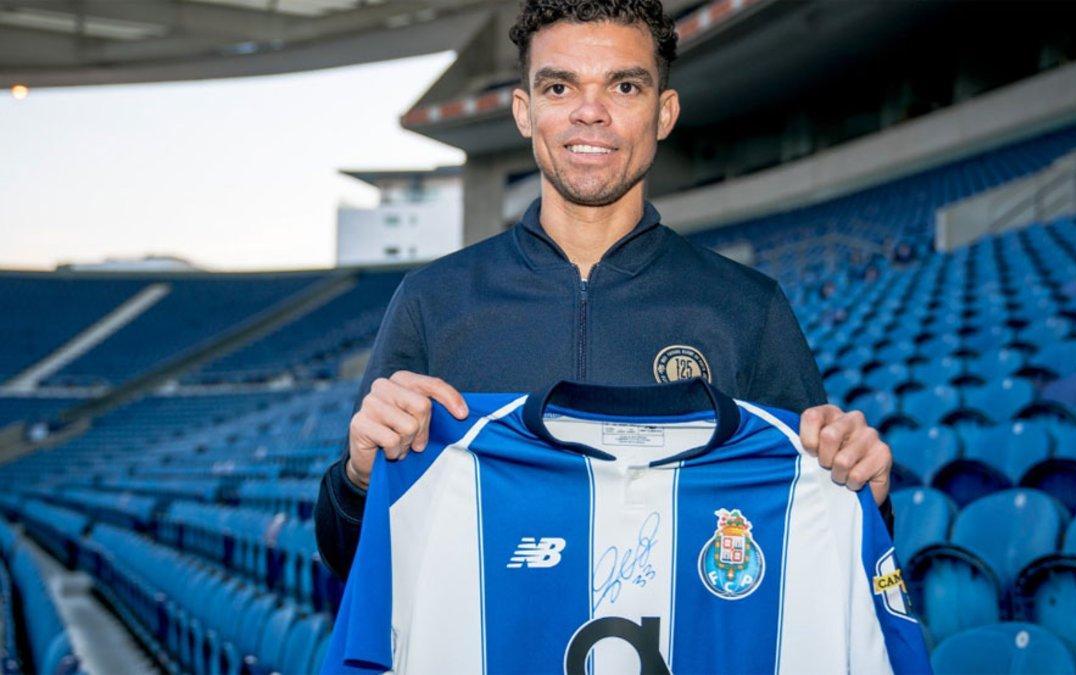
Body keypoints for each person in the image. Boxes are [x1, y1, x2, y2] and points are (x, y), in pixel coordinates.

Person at [315, 0, 894, 580]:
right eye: (561, 87)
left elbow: (821, 544)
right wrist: (359, 481)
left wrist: (861, 483)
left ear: (663, 113)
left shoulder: (749, 307)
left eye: (623, 87)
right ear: (525, 110)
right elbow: (349, 560)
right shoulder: (431, 301)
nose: (590, 113)